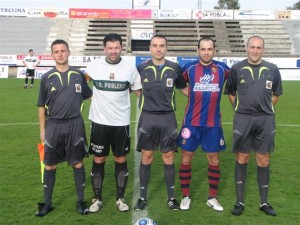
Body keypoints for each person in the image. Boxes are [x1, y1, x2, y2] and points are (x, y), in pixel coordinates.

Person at [224, 35, 283, 216]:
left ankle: (264, 203)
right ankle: (239, 202)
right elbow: (231, 92)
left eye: (259, 47)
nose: (255, 50)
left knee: (263, 159)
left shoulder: (272, 69)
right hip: (243, 119)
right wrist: (239, 109)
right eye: (252, 47)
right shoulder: (236, 68)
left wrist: (266, 109)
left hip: (265, 120)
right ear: (247, 48)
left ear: (263, 50)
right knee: (242, 158)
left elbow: (276, 94)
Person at [85, 33, 141, 213]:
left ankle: (120, 198)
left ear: (121, 48)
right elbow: (79, 85)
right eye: (110, 48)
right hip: (99, 122)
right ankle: (97, 198)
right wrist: (92, 96)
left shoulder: (130, 68)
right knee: (99, 158)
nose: (113, 51)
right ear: (104, 49)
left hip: (121, 122)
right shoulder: (93, 66)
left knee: (120, 158)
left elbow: (139, 92)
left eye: (116, 47)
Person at [35, 39, 92, 217]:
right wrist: (42, 130)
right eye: (56, 51)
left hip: (75, 125)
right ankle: (47, 203)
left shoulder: (78, 75)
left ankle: (81, 202)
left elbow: (91, 96)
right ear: (52, 55)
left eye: (63, 51)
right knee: (50, 165)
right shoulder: (46, 78)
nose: (60, 54)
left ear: (68, 52)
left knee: (77, 163)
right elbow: (41, 106)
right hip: (54, 126)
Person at [133, 35, 186, 211]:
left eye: (162, 46)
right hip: (148, 117)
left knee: (168, 157)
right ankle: (142, 197)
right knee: (147, 156)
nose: (158, 49)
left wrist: (202, 99)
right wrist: (146, 100)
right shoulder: (141, 68)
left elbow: (184, 88)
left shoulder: (175, 68)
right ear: (150, 48)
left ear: (166, 48)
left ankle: (171, 199)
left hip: (167, 118)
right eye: (155, 46)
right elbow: (135, 88)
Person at [177, 37, 229, 211]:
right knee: (186, 157)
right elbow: (179, 83)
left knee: (214, 160)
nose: (206, 52)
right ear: (198, 50)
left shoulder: (223, 69)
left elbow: (236, 83)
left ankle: (212, 198)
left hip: (213, 123)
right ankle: (185, 196)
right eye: (203, 49)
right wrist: (191, 94)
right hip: (191, 123)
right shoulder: (189, 68)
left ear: (215, 50)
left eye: (210, 49)